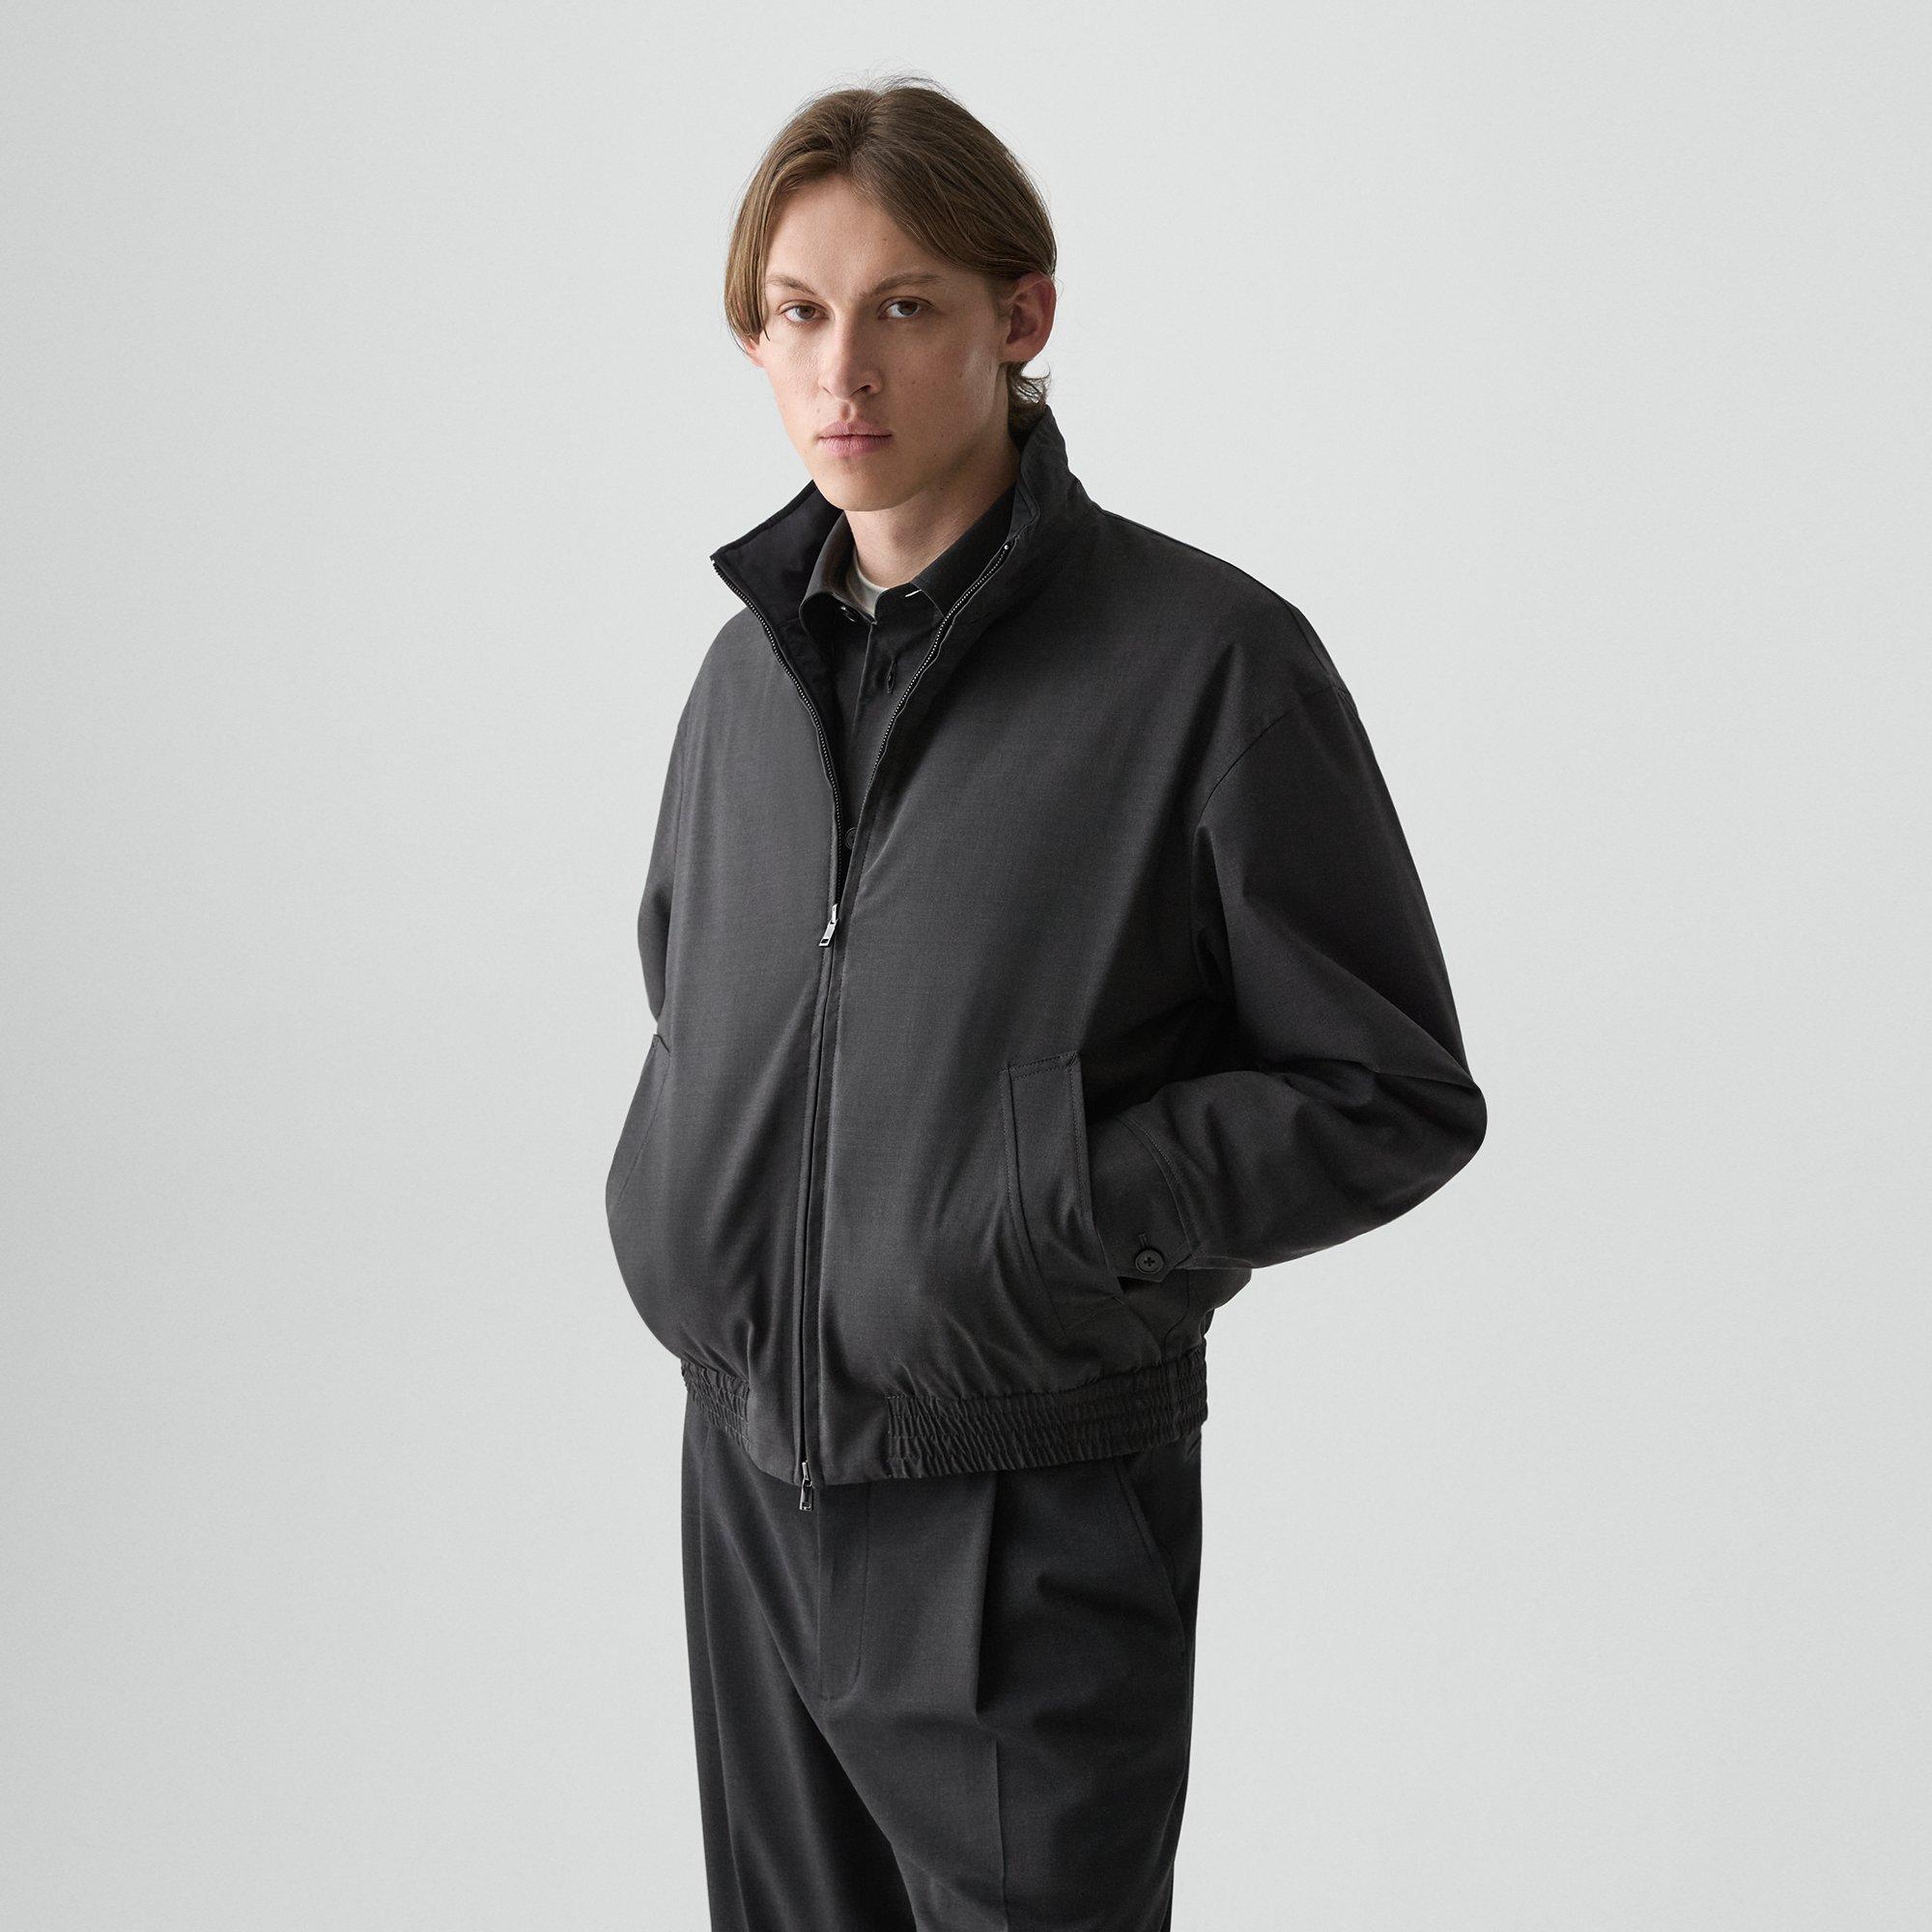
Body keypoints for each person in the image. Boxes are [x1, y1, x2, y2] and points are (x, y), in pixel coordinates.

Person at [606, 73, 1488, 1932]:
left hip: (1024, 1505)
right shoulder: (742, 683)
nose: (843, 369)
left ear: (1021, 318)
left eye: (903, 307)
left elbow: (1389, 1086)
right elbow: (699, 1000)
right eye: (798, 313)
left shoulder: (1206, 666)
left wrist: (1054, 1216)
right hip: (748, 1482)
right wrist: (681, 1213)